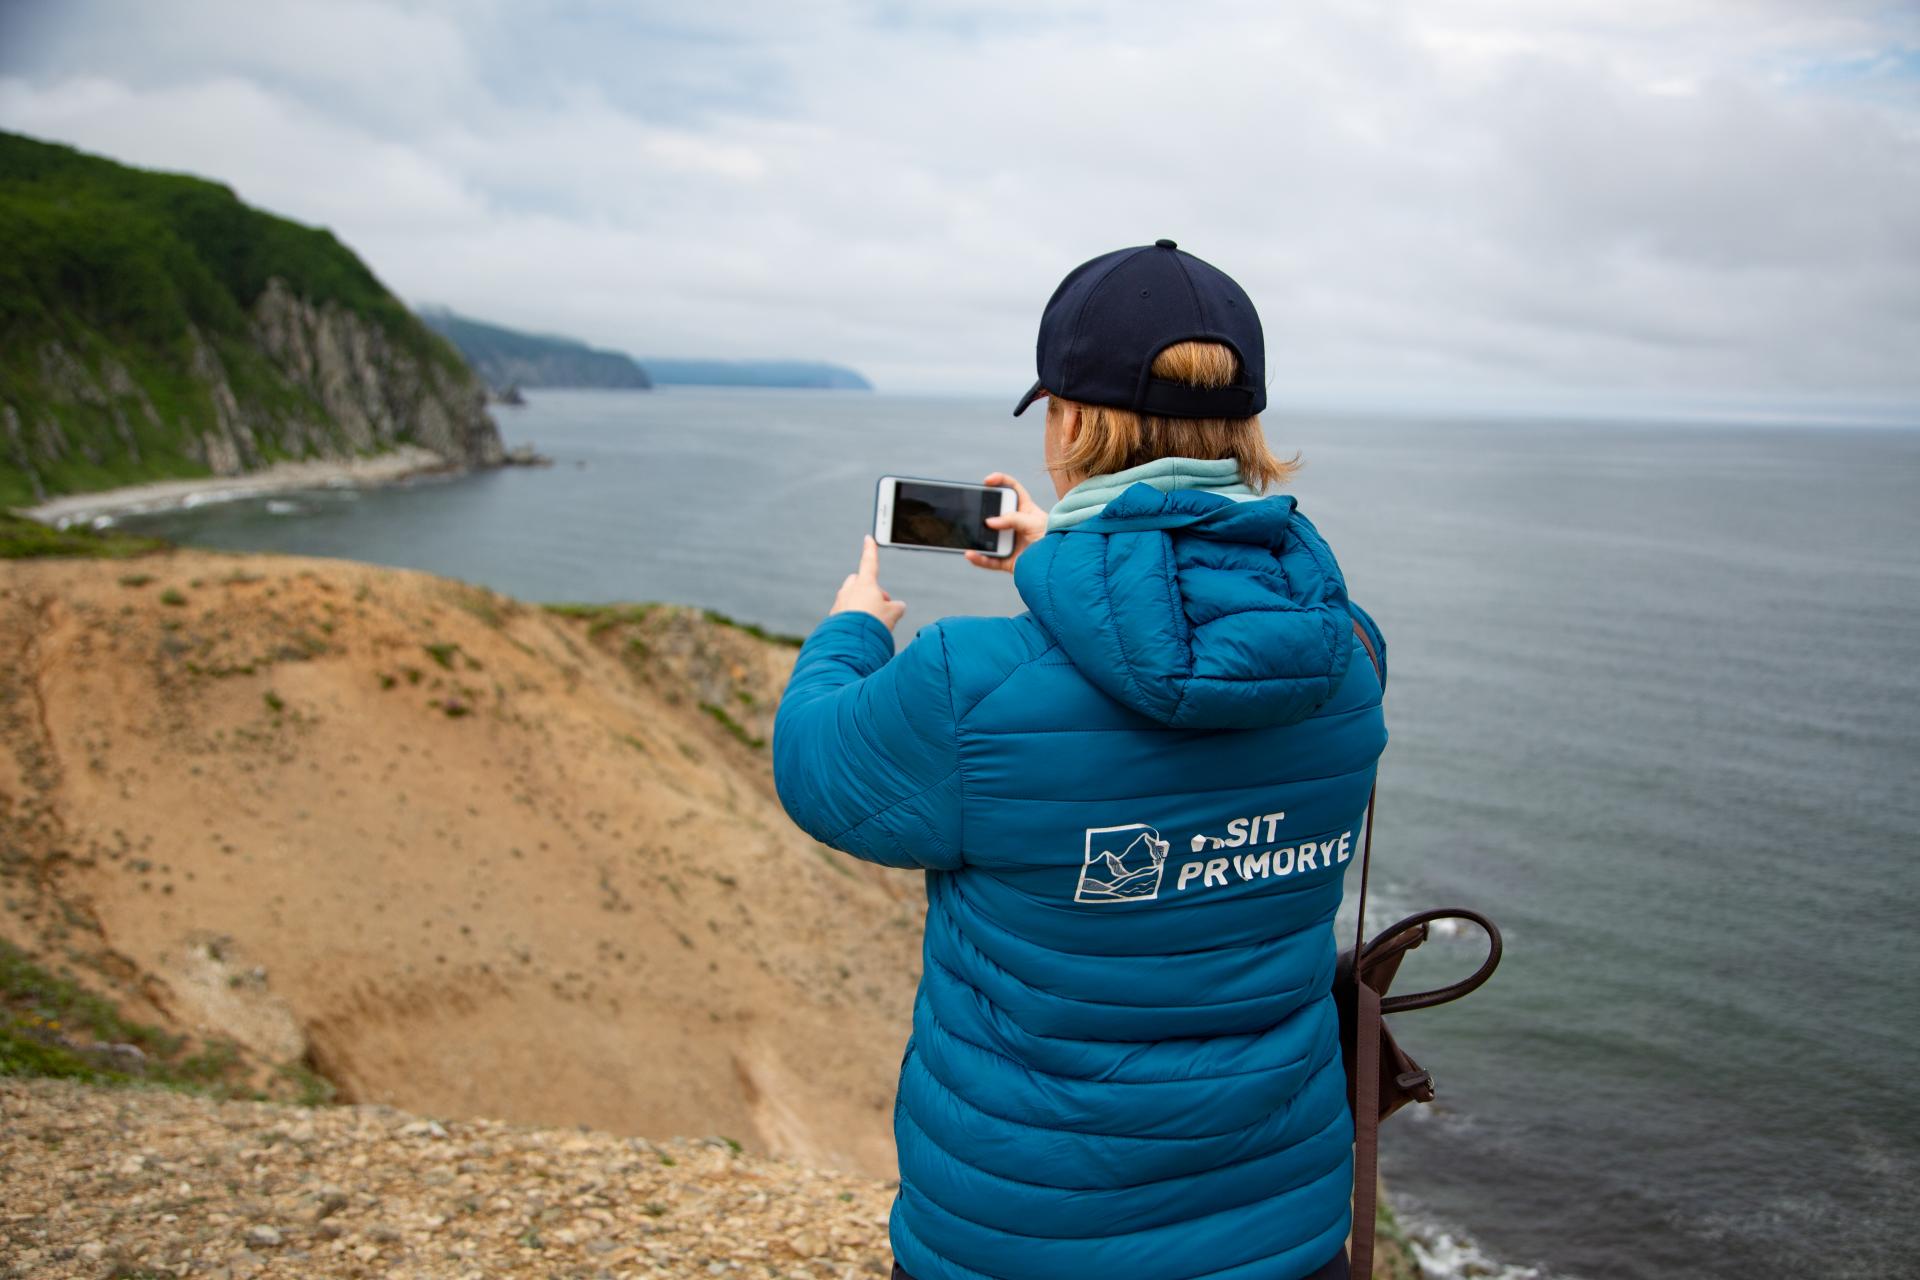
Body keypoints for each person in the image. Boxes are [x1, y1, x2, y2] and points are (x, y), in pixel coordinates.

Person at [772, 240, 1388, 1280]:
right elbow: (1196, 647)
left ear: (1068, 422)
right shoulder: (1350, 655)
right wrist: (1059, 551)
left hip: (1024, 1240)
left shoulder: (972, 681)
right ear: (1245, 428)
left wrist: (851, 630)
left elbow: (816, 765)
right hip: (1279, 1234)